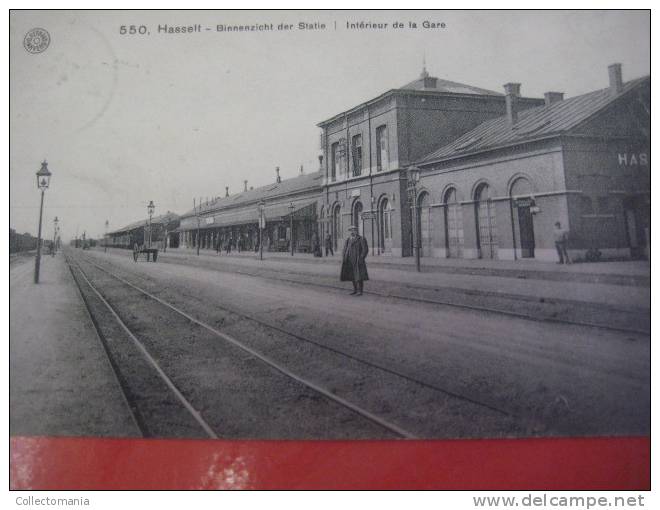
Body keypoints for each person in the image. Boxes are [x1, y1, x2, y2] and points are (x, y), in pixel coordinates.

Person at [340, 225, 369, 295]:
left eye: (353, 230)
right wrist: (344, 256)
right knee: (352, 276)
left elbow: (365, 250)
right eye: (350, 231)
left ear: (356, 231)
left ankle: (360, 291)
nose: (352, 232)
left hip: (357, 260)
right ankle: (355, 290)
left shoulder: (361, 239)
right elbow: (345, 249)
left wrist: (361, 258)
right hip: (349, 260)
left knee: (359, 276)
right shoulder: (348, 239)